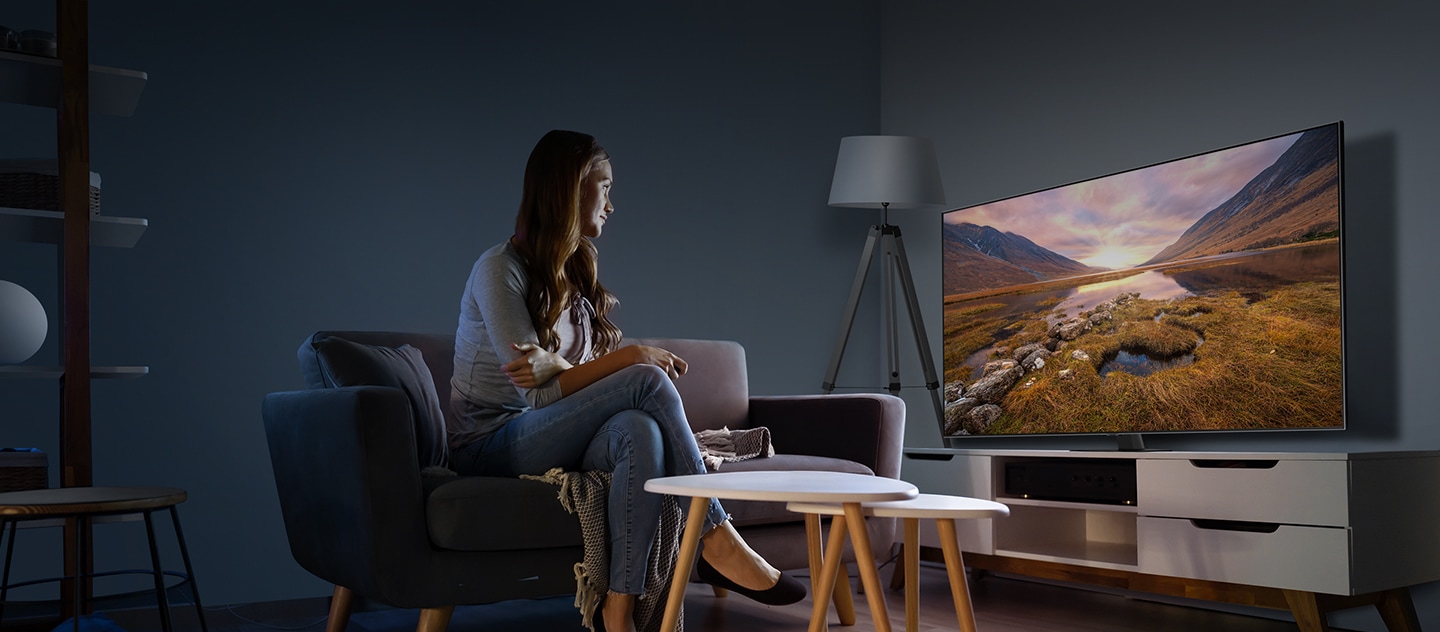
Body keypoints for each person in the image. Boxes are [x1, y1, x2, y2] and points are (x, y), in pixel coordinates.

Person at [448, 130, 804, 632]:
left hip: (549, 430)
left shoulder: (574, 271)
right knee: (646, 380)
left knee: (641, 429)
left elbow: (564, 381)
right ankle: (716, 535)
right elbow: (540, 392)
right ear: (571, 190)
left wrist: (565, 368)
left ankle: (619, 607)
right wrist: (630, 357)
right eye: (605, 187)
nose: (612, 205)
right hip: (488, 442)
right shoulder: (498, 270)